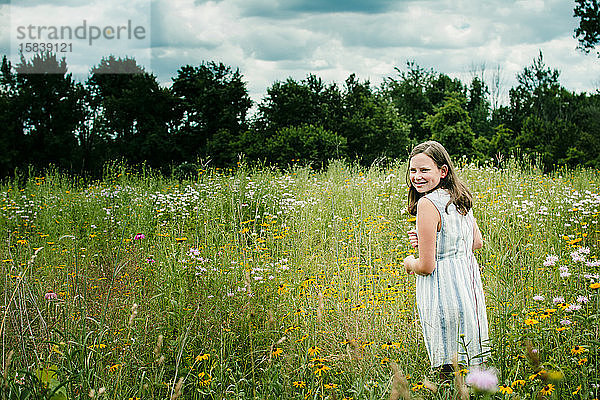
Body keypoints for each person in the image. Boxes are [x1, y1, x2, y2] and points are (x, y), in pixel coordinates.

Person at [403, 141, 489, 377]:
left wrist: (410, 262)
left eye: (424, 170)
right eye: (413, 170)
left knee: (447, 364)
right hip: (466, 287)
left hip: (442, 292)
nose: (417, 176)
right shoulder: (458, 198)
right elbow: (476, 242)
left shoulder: (427, 204)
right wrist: (431, 243)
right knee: (469, 357)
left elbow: (427, 266)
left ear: (443, 171)